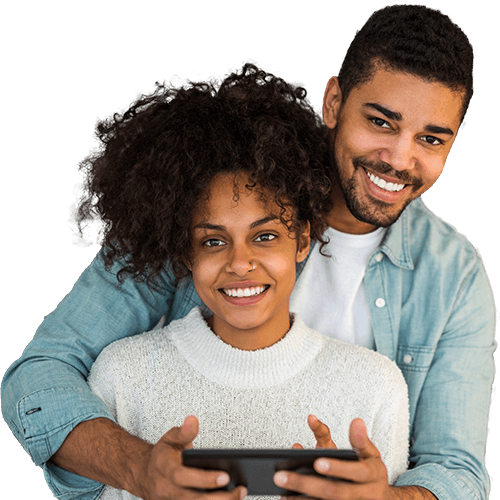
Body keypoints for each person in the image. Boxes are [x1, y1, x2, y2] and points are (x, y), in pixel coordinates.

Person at [1, 4, 496, 500]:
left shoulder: (453, 276)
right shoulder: (203, 191)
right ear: (333, 101)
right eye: (381, 123)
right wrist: (138, 470)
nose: (400, 160)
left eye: (431, 139)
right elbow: (40, 377)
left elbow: (457, 470)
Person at [82, 75, 410, 500]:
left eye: (265, 236)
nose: (239, 263)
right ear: (186, 254)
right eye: (213, 241)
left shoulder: (374, 387)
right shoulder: (122, 378)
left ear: (303, 240)